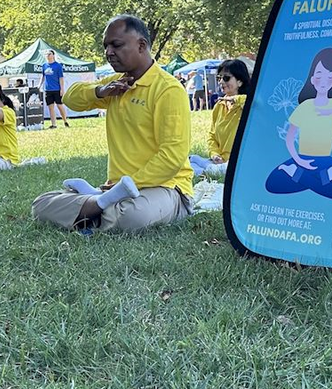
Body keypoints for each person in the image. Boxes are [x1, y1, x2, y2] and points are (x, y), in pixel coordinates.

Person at [32, 15, 193, 234]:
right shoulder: (116, 85)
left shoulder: (168, 90)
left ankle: (93, 205)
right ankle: (99, 203)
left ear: (141, 45)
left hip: (167, 188)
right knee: (41, 203)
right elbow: (70, 98)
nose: (109, 52)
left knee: (134, 216)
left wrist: (127, 185)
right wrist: (100, 91)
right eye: (106, 46)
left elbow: (171, 157)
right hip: (115, 189)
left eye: (116, 45)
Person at [264, 47, 332, 201]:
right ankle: (325, 177)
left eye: (329, 76)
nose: (323, 81)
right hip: (302, 158)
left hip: (324, 159)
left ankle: (298, 175)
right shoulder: (305, 106)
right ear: (312, 79)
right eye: (319, 75)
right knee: (273, 183)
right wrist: (297, 159)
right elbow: (290, 137)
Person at [189, 59, 250, 177]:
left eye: (226, 78)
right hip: (220, 161)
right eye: (219, 78)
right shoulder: (219, 106)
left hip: (239, 162)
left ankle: (207, 171)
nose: (221, 82)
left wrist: (235, 99)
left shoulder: (248, 106)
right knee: (187, 162)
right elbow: (212, 136)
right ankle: (210, 169)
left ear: (240, 81)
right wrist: (214, 154)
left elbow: (255, 102)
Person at [41, 50, 70, 129]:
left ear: (53, 55)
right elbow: (43, 76)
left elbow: (61, 78)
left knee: (59, 106)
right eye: (47, 54)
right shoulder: (44, 65)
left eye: (49, 54)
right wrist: (39, 85)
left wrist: (62, 89)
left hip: (56, 89)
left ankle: (65, 121)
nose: (48, 55)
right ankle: (53, 124)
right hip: (48, 90)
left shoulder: (58, 66)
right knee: (51, 107)